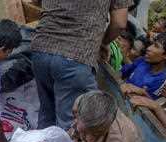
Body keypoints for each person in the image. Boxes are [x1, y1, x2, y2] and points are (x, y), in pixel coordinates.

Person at [28, 0, 129, 129]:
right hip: (76, 55)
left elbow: (36, 2)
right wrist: (102, 42)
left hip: (41, 49)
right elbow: (120, 23)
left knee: (47, 113)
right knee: (73, 126)